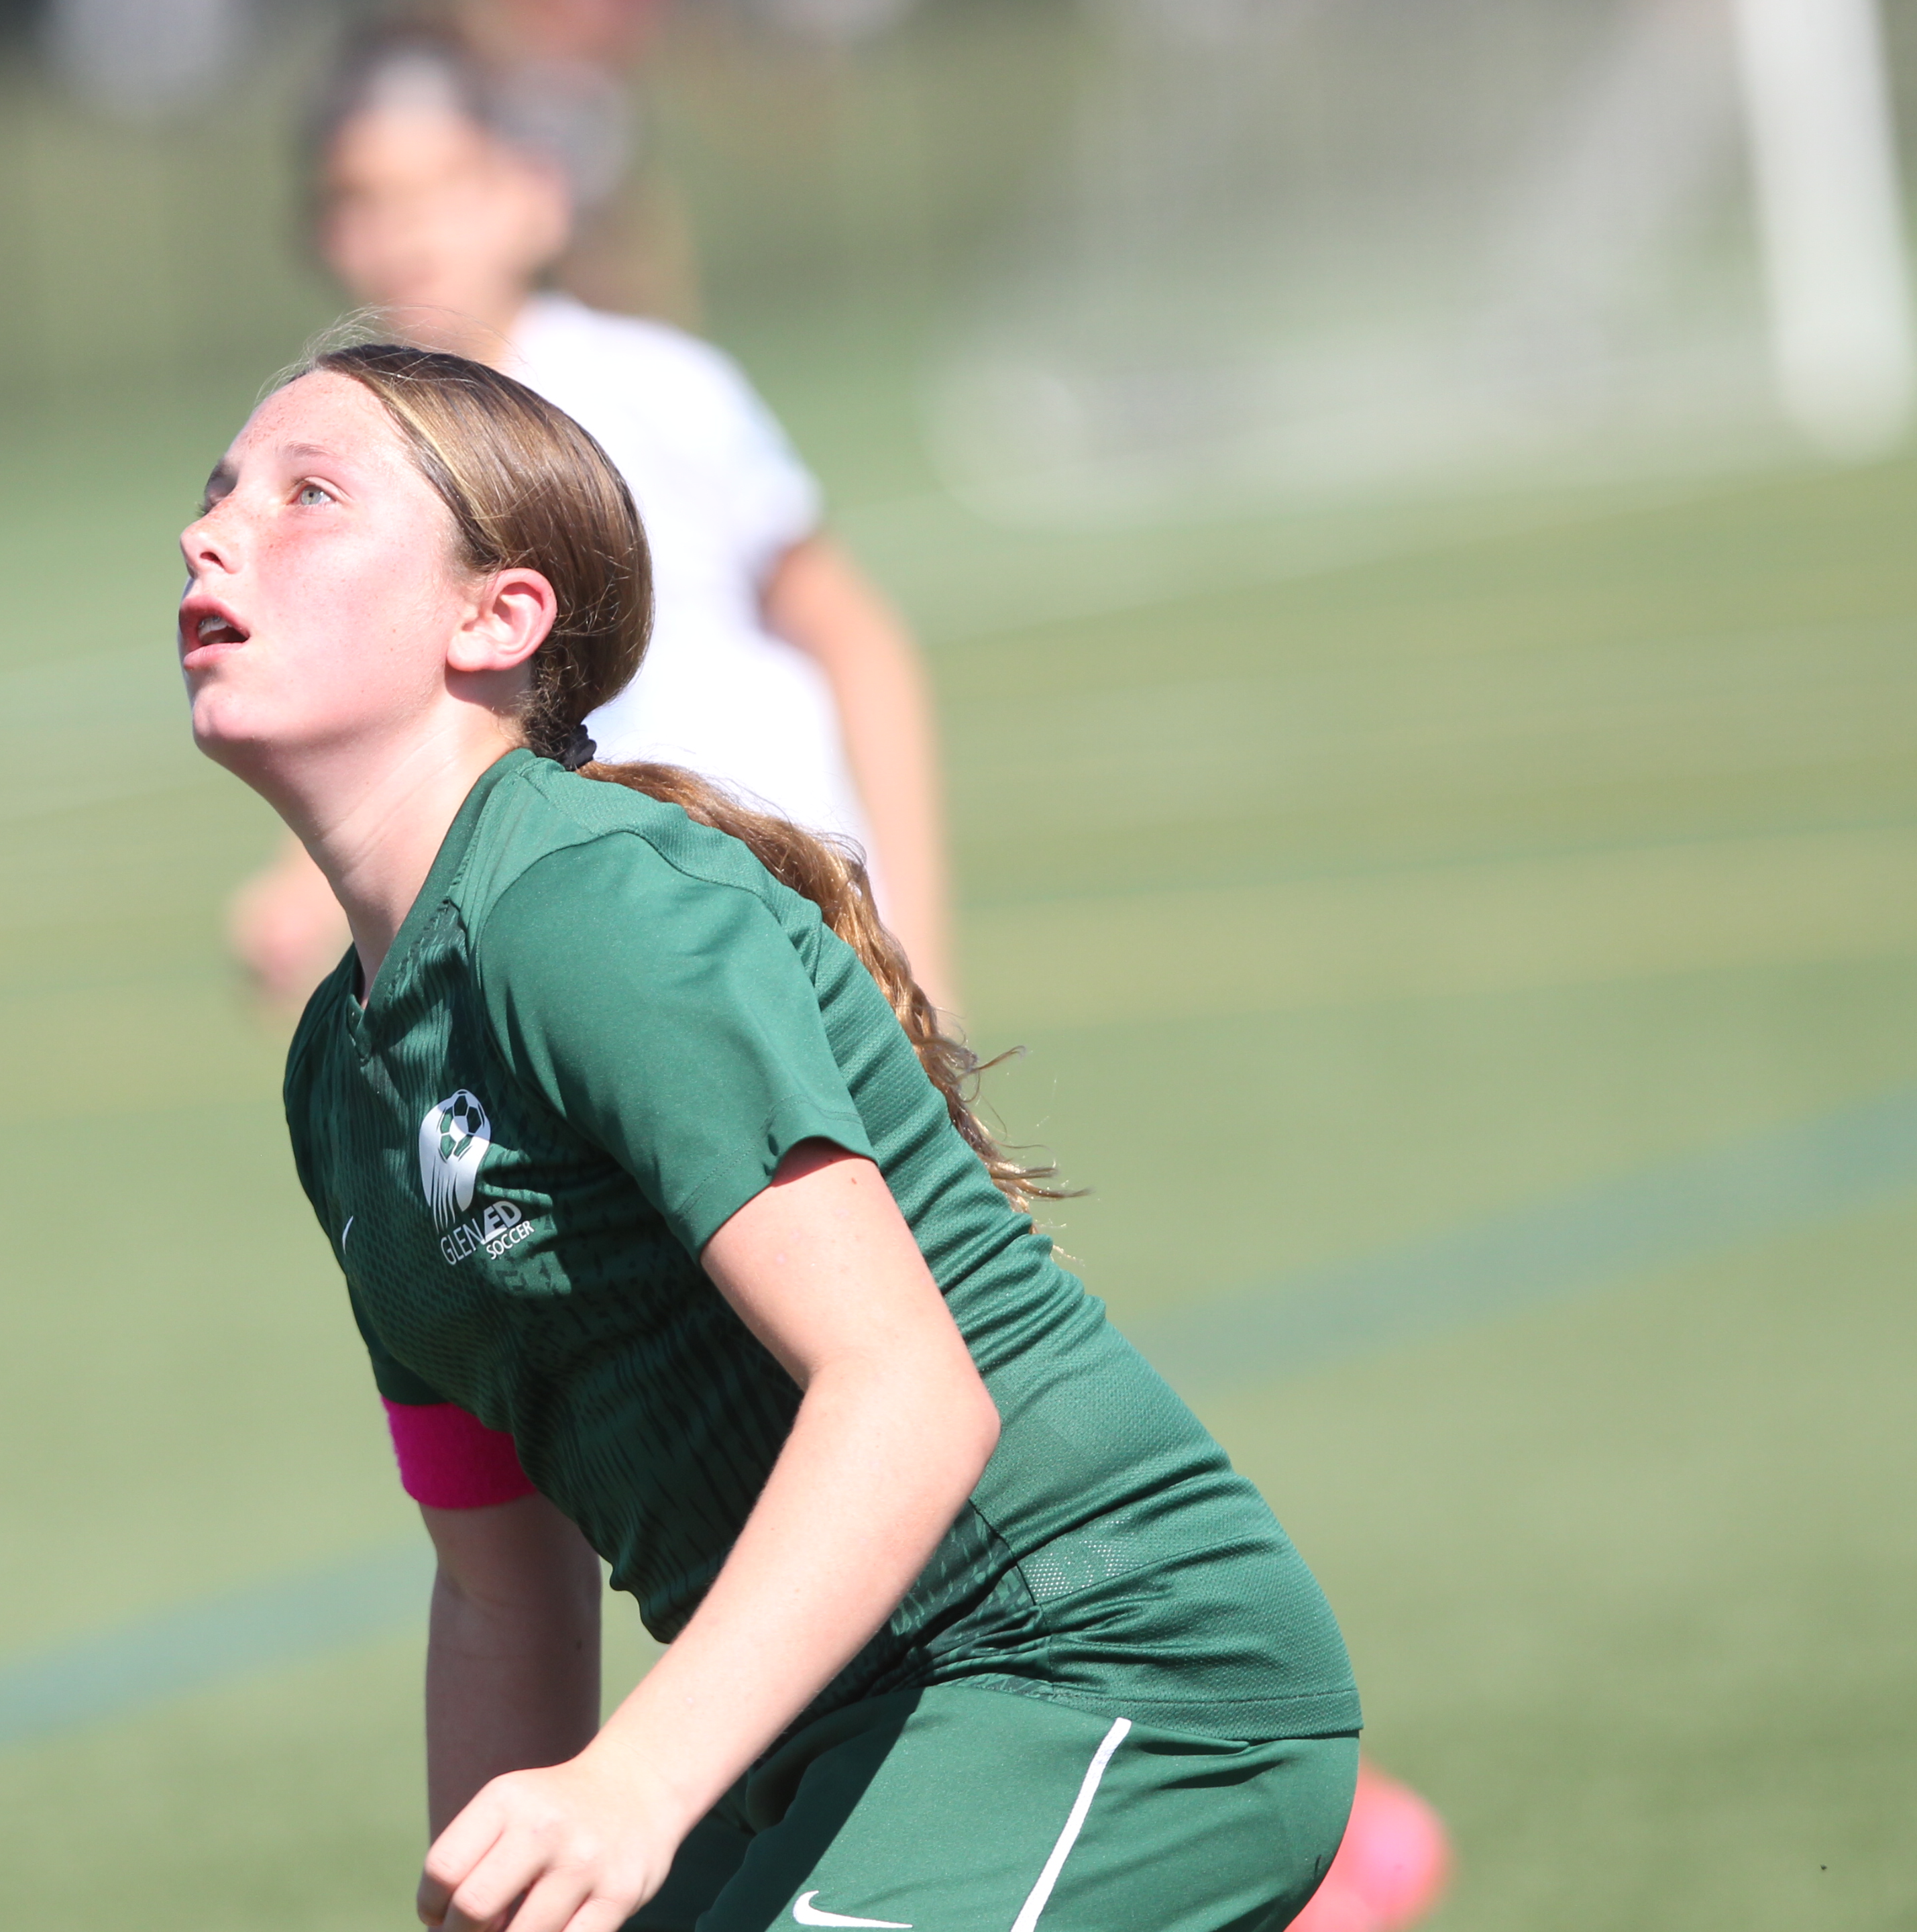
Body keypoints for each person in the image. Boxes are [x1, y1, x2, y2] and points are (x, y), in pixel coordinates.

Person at [181, 341, 1361, 1930]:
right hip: (832, 1740)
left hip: (1102, 1671)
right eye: (220, 494)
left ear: (497, 618)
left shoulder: (585, 906)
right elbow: (498, 1582)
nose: (211, 534)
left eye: (308, 495)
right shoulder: (342, 1072)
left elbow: (908, 1393)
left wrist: (635, 1784)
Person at [229, 23, 955, 1017]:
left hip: (783, 912)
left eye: (445, 186)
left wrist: (918, 933)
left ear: (534, 195)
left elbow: (852, 635)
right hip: (605, 948)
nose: (407, 233)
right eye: (365, 201)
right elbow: (407, 708)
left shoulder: (657, 387)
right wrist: (300, 881)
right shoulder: (365, 454)